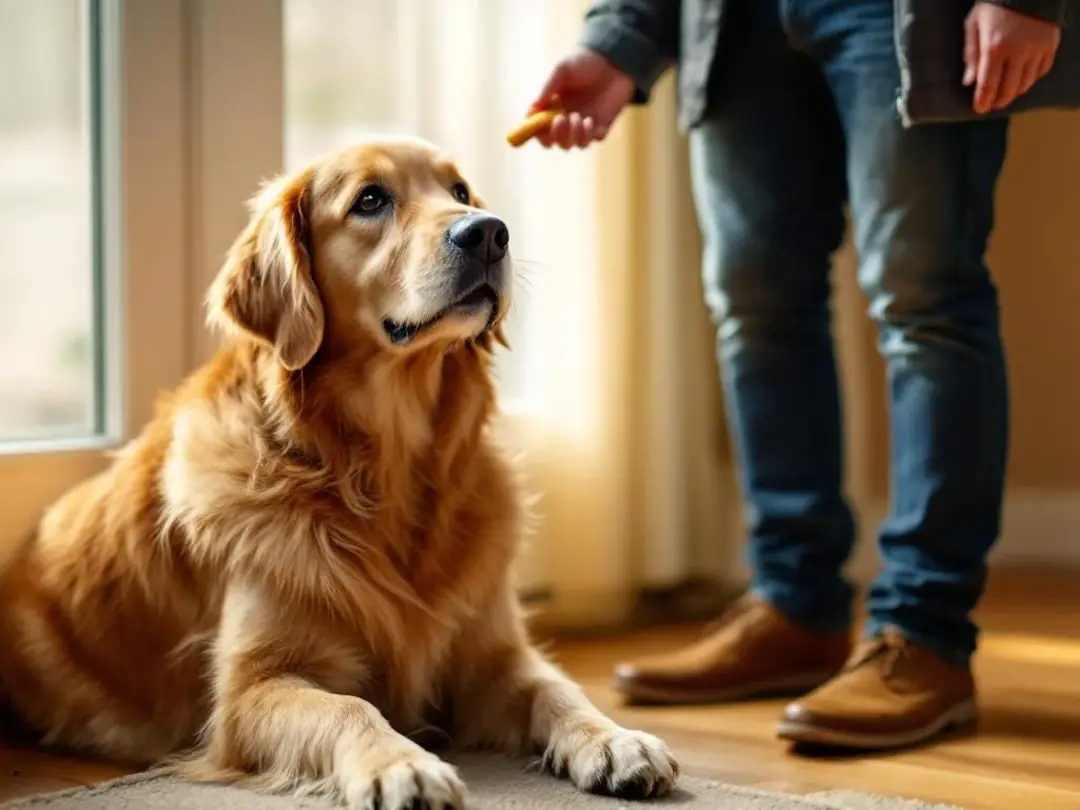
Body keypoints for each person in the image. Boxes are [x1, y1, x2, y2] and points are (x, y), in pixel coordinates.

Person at [529, 0, 1068, 751]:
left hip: (905, 15)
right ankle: (795, 607)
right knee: (753, 305)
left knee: (925, 303)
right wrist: (620, 36)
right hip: (734, 22)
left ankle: (925, 634)